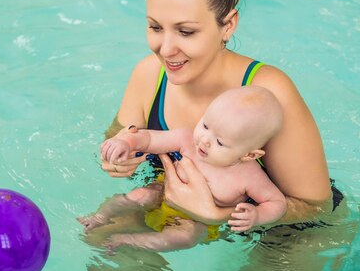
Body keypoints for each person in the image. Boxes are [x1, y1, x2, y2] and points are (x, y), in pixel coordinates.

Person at [101, 0, 335, 228]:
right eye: (155, 27)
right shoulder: (149, 75)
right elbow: (117, 136)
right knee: (103, 241)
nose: (166, 48)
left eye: (186, 31)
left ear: (228, 25)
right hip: (170, 203)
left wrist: (217, 215)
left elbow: (318, 209)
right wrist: (116, 157)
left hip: (279, 237)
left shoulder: (268, 93)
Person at [79, 86, 287, 251]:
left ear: (249, 154)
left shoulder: (249, 176)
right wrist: (126, 143)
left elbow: (276, 202)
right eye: (205, 126)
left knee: (185, 237)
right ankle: (99, 217)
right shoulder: (187, 140)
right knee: (139, 195)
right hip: (161, 193)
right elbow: (149, 138)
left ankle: (128, 241)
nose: (204, 141)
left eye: (220, 142)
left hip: (195, 221)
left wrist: (257, 216)